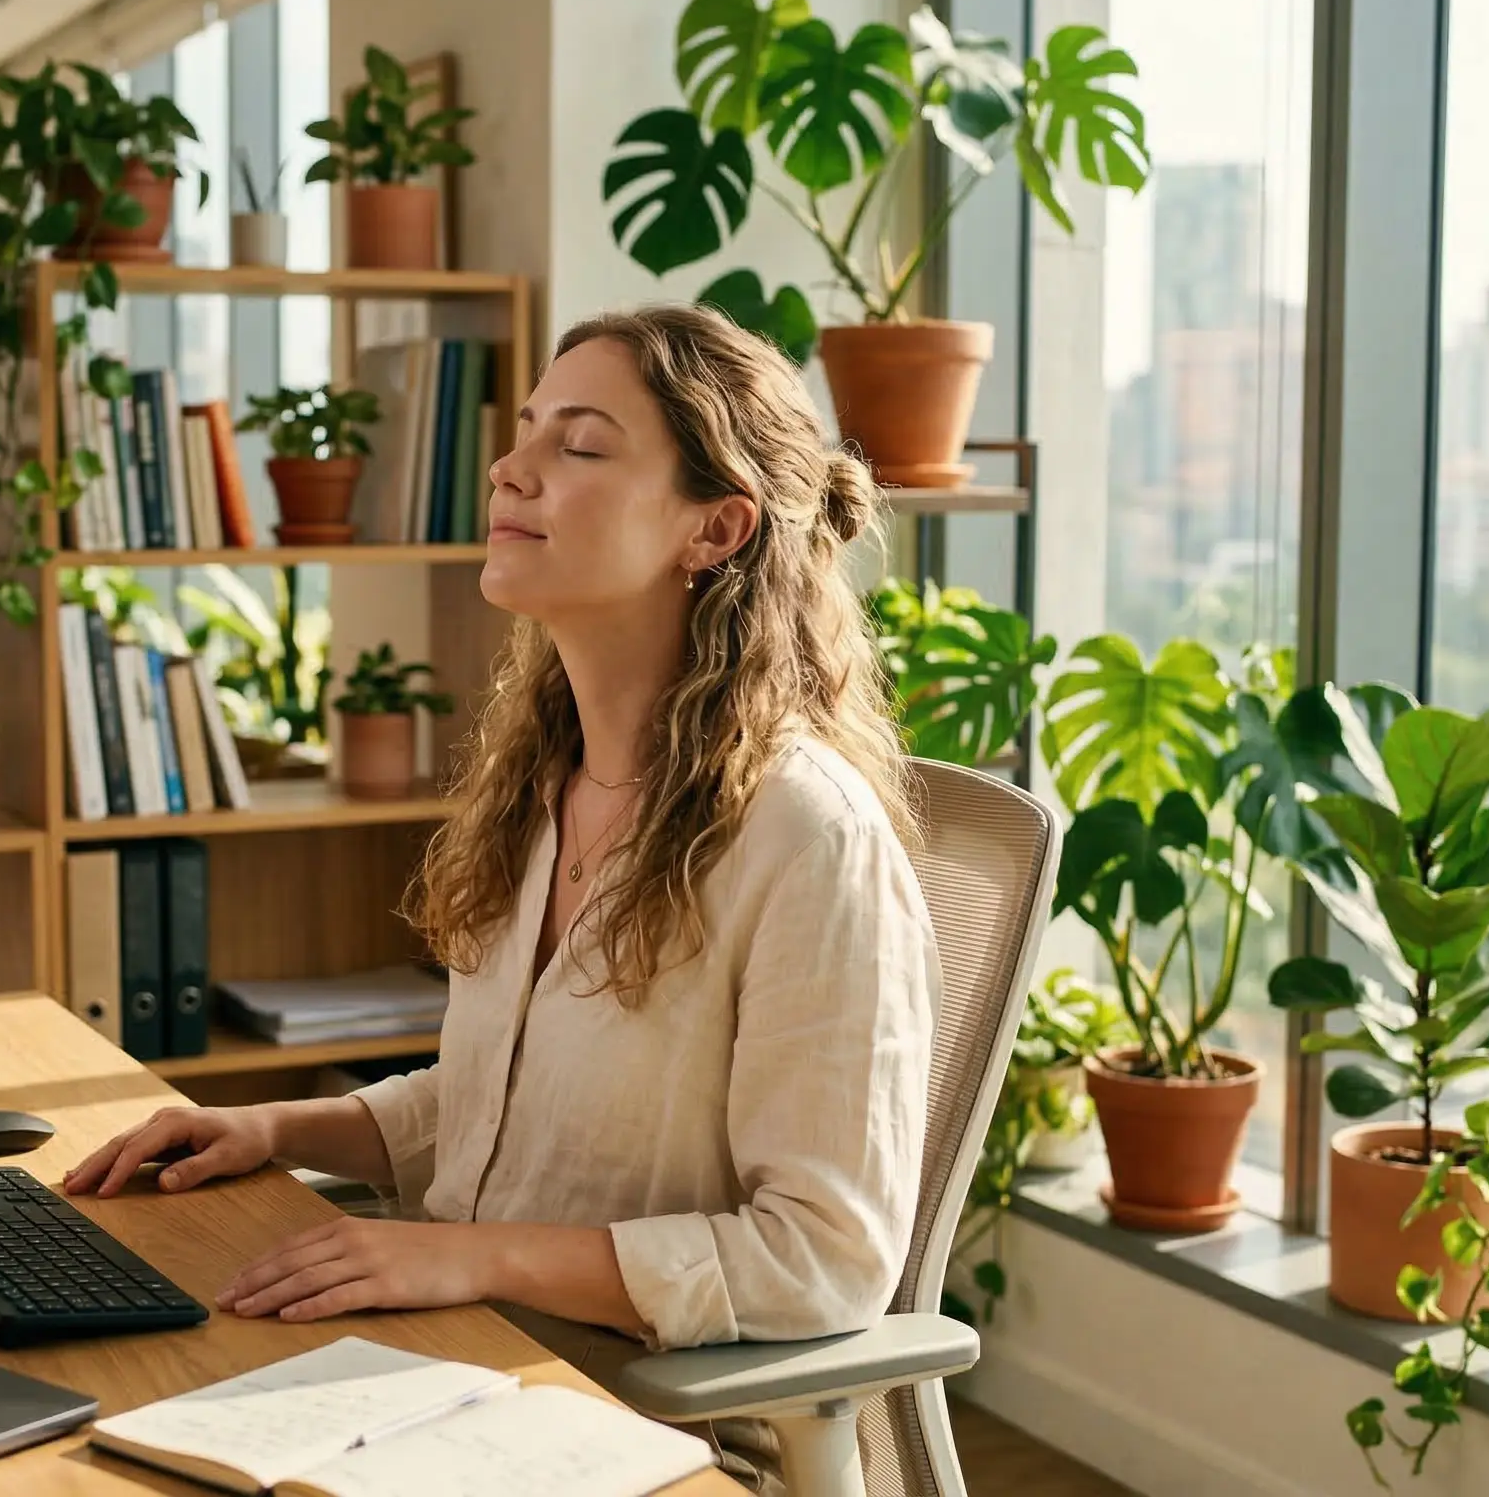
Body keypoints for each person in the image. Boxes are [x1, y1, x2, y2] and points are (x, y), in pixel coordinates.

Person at [65, 306, 935, 1428]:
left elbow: (825, 1260)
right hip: (449, 1353)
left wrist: (478, 1261)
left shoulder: (807, 841)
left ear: (714, 530)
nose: (508, 470)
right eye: (525, 432)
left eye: (577, 445)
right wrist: (278, 1129)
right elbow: (505, 1112)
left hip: (623, 1417)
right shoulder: (549, 784)